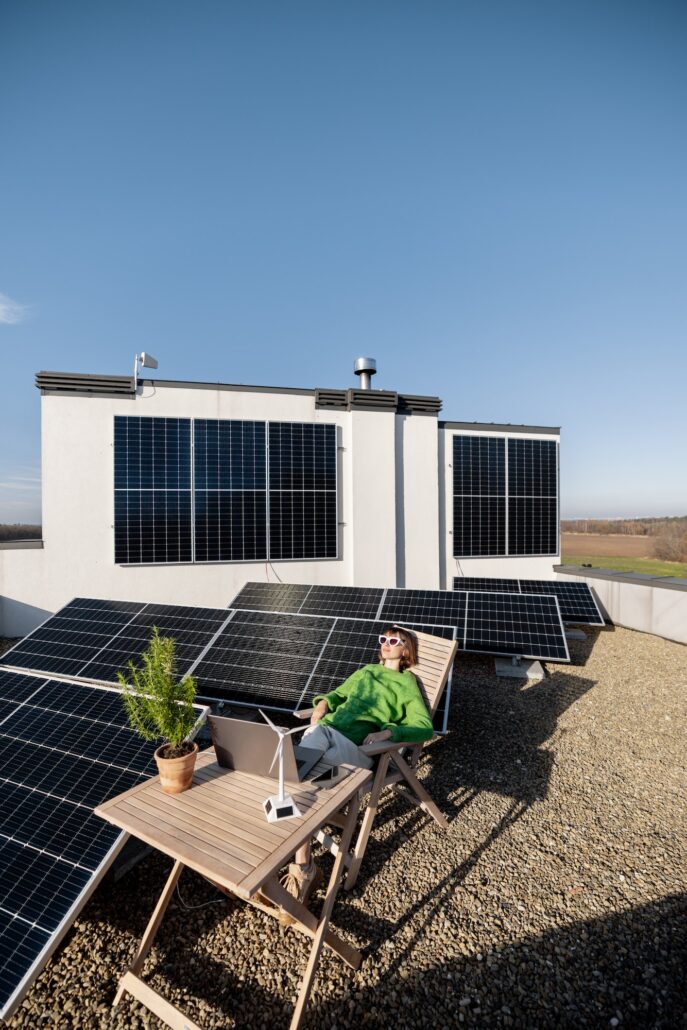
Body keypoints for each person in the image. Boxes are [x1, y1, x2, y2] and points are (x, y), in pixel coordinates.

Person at [280, 625, 433, 906]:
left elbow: (424, 727)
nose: (386, 644)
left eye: (394, 641)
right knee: (307, 784)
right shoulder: (365, 672)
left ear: (406, 650)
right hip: (328, 737)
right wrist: (322, 705)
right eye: (383, 639)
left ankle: (295, 855)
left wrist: (389, 733)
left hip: (359, 754)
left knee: (299, 778)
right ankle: (301, 861)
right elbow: (336, 694)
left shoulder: (406, 684)